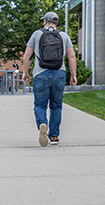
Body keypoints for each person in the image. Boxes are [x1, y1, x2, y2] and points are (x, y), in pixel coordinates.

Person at [22, 11, 77, 147]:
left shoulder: (37, 34)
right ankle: (54, 136)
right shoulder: (64, 36)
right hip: (59, 73)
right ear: (56, 22)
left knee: (40, 105)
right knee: (56, 106)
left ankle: (42, 123)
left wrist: (25, 73)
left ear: (44, 22)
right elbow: (71, 56)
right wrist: (73, 75)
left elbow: (27, 55)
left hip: (41, 73)